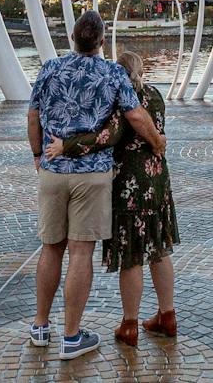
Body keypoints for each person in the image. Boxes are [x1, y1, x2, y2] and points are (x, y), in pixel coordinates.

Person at [27, 10, 164, 361]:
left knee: (50, 247)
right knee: (81, 252)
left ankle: (41, 327)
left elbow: (31, 114)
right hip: (92, 175)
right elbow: (135, 115)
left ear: (72, 39)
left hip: (53, 170)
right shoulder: (112, 72)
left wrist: (36, 155)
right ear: (102, 42)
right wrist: (157, 142)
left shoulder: (50, 68)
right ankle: (72, 336)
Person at [45, 50, 180, 346]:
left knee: (132, 255)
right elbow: (156, 134)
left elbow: (106, 137)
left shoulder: (120, 102)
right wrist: (158, 144)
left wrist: (64, 146)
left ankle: (129, 324)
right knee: (159, 248)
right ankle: (167, 316)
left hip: (128, 186)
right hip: (157, 181)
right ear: (141, 71)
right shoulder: (155, 95)